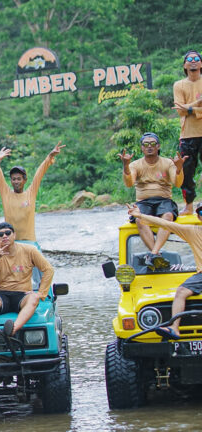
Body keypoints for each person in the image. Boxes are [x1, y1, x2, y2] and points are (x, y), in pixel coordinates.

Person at [127, 203, 202, 339]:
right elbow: (165, 224)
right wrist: (140, 216)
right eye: (201, 213)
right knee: (181, 291)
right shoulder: (193, 231)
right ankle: (174, 328)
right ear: (199, 217)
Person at [0, 134, 65, 241]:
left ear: (25, 180)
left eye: (19, 179)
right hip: (11, 243)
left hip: (29, 242)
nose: (16, 182)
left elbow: (39, 173)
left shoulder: (30, 193)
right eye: (13, 179)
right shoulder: (6, 194)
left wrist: (50, 156)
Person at [119, 132, 186, 269]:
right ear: (142, 147)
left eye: (153, 143)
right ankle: (157, 256)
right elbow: (129, 183)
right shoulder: (136, 164)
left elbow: (177, 183)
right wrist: (126, 166)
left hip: (164, 199)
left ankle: (154, 254)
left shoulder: (167, 163)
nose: (149, 146)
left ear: (158, 146)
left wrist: (179, 169)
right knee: (139, 219)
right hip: (143, 201)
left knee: (168, 216)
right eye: (146, 144)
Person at [0, 222, 54, 336]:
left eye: (8, 233)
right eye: (0, 234)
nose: (4, 236)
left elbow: (48, 270)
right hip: (1, 296)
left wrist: (41, 293)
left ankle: (13, 329)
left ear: (14, 235)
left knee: (34, 297)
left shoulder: (29, 250)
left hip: (22, 295)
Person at [174, 50, 202, 215]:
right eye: (189, 59)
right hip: (188, 134)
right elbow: (179, 111)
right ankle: (189, 206)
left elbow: (184, 108)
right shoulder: (179, 85)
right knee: (187, 171)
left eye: (196, 58)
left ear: (201, 64)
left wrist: (189, 108)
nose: (193, 61)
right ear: (185, 65)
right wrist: (198, 102)